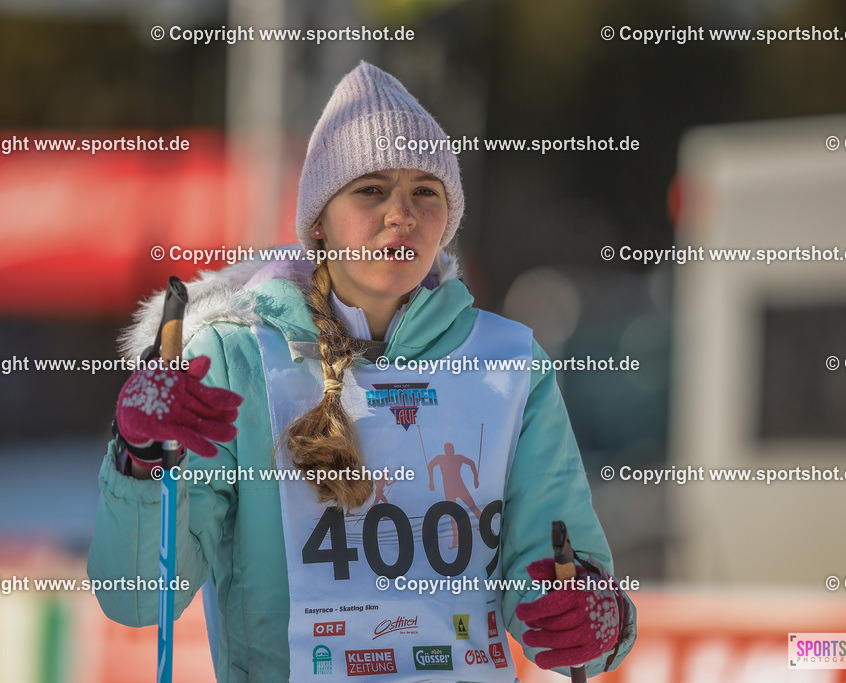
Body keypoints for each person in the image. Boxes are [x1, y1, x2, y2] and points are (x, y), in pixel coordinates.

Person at [88, 61, 636, 682]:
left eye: (425, 192)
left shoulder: (508, 364)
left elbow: (561, 587)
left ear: (446, 223)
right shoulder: (235, 358)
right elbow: (137, 599)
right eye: (371, 189)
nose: (401, 213)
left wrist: (598, 617)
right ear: (318, 223)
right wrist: (138, 461)